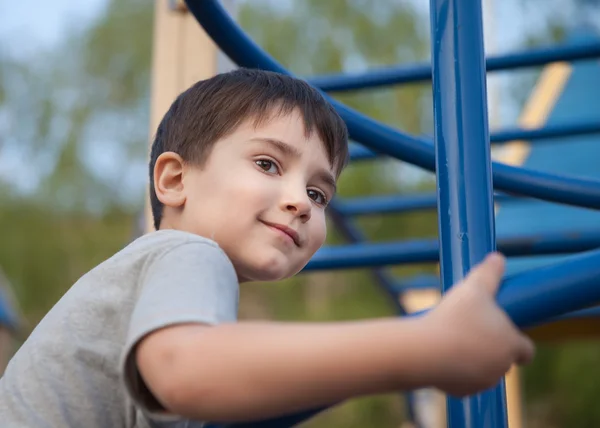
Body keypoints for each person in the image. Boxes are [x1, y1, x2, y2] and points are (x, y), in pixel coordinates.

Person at [0, 68, 535, 428]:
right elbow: (187, 372)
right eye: (268, 164)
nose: (300, 203)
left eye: (318, 192)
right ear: (174, 180)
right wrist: (424, 349)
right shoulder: (187, 253)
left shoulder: (162, 281)